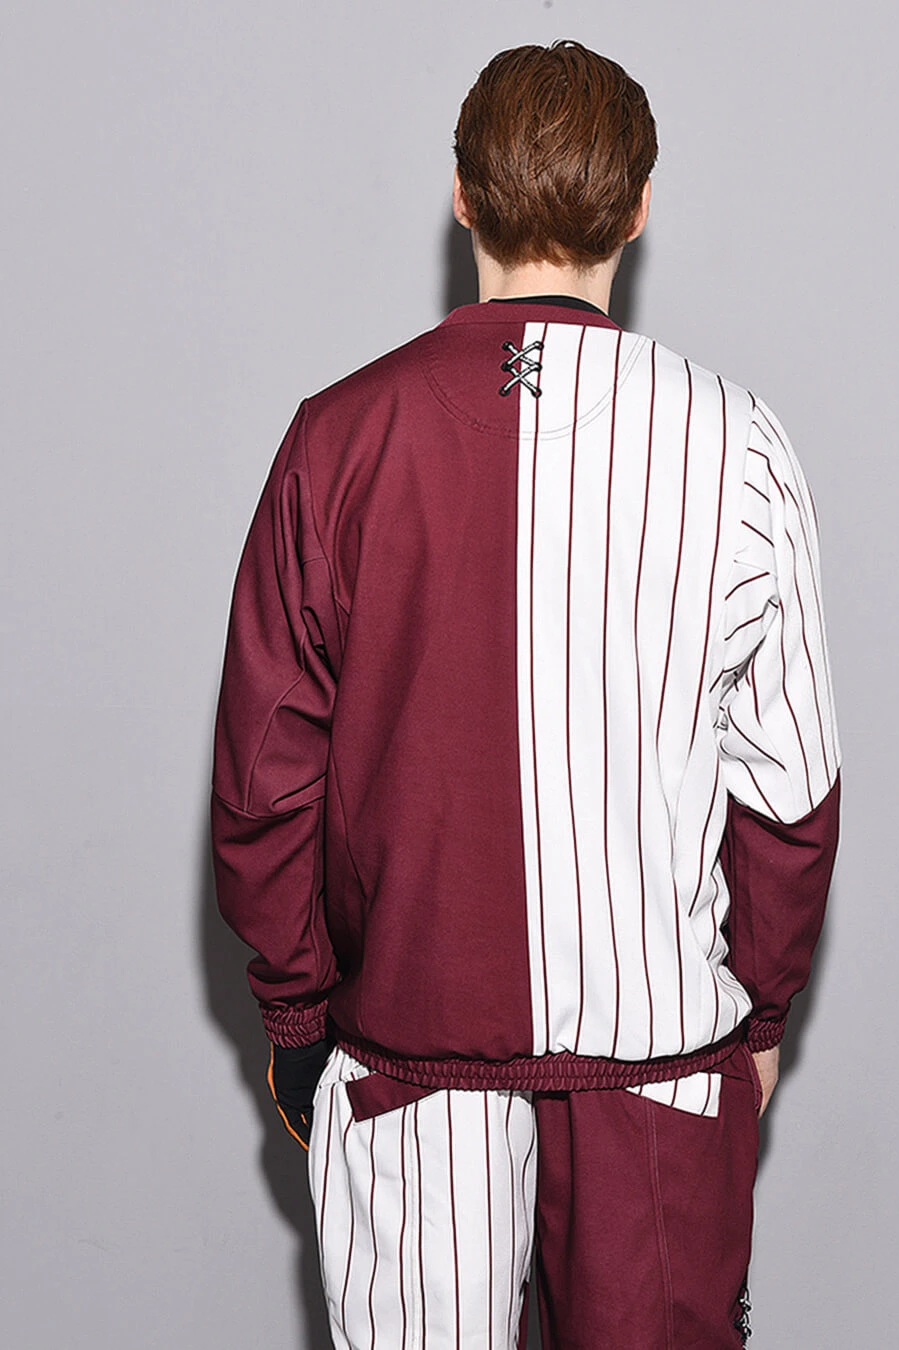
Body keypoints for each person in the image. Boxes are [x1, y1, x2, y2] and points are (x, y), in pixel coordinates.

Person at [210, 38, 841, 1350]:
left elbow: (265, 777)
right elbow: (791, 792)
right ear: (640, 206)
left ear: (461, 194)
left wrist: (296, 1011)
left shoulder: (336, 439)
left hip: (408, 1067)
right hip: (661, 1064)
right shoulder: (741, 444)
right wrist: (763, 1011)